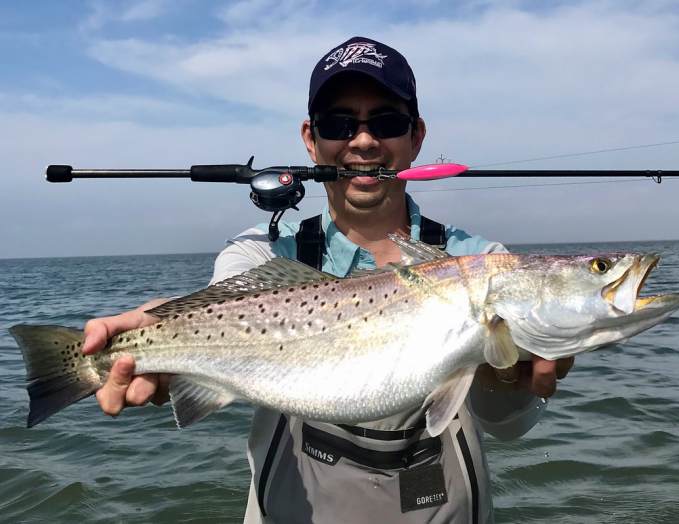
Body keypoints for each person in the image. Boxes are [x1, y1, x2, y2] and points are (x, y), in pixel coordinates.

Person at [82, 36, 573, 523]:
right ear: (310, 138)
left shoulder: (483, 261)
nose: (363, 141)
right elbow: (220, 302)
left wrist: (507, 378)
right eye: (339, 124)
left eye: (386, 122)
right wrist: (157, 335)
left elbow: (508, 427)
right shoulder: (262, 251)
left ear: (416, 136)